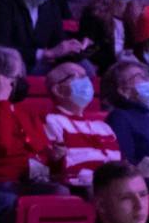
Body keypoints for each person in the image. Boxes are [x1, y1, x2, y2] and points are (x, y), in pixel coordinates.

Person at [0, 44, 54, 188]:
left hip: (34, 179)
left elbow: (41, 149)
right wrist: (1, 101)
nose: (21, 82)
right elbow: (2, 146)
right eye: (17, 77)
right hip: (2, 184)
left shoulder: (26, 113)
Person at [39, 58, 123, 189]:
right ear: (58, 89)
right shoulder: (51, 121)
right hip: (84, 187)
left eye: (87, 77)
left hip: (111, 186)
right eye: (79, 77)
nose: (87, 82)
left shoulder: (103, 127)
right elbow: (53, 168)